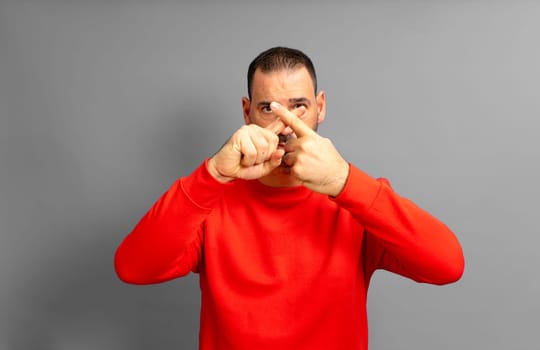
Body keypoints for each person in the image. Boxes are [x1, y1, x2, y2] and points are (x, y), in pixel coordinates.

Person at [114, 47, 464, 350]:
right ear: (246, 111)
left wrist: (344, 181)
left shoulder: (356, 198)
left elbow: (447, 264)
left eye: (298, 106)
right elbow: (133, 267)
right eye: (268, 108)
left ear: (320, 107)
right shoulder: (212, 200)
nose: (283, 126)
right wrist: (213, 176)